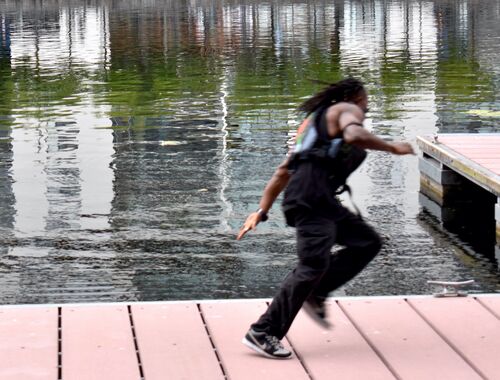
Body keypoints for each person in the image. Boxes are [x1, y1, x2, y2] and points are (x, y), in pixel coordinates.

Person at [236, 78, 415, 359]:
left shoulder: (315, 128)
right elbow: (355, 135)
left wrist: (261, 211)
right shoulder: (346, 108)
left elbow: (283, 171)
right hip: (311, 199)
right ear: (356, 98)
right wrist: (393, 147)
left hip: (320, 200)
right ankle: (263, 331)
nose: (364, 113)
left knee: (367, 242)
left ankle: (317, 292)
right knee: (312, 266)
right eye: (365, 106)